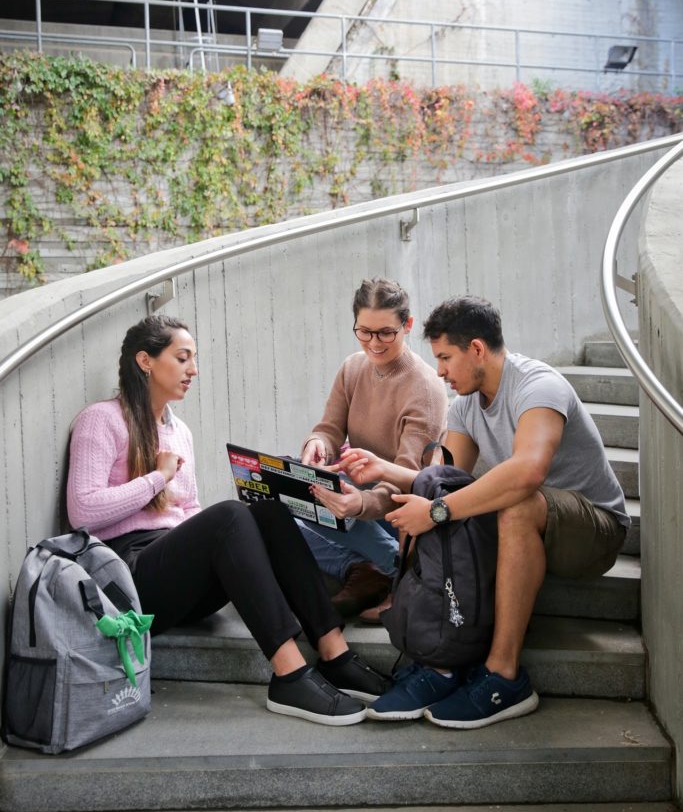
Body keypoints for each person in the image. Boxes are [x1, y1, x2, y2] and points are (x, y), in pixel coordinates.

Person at [67, 314, 389, 727]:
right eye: (182, 358)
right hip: (129, 579)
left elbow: (191, 514)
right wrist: (157, 478)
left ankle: (334, 654)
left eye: (194, 359)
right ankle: (290, 674)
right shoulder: (102, 419)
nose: (193, 370)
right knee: (231, 516)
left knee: (268, 510)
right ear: (145, 361)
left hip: (179, 579)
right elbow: (84, 512)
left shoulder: (178, 431)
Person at [336, 295, 629, 728]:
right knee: (438, 492)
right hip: (528, 528)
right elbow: (440, 478)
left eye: (445, 358)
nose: (440, 372)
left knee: (510, 505)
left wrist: (438, 511)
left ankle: (504, 677)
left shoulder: (538, 386)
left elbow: (529, 472)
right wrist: (387, 473)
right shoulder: (467, 406)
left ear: (476, 349)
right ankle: (441, 661)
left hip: (593, 530)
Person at [298, 278, 448, 618]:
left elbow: (407, 478)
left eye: (385, 333)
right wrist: (317, 446)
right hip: (358, 497)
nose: (374, 343)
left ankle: (399, 566)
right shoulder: (353, 368)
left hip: (399, 511)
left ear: (407, 326)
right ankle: (362, 568)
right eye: (364, 332)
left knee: (319, 502)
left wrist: (358, 503)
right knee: (271, 504)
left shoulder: (424, 389)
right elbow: (328, 429)